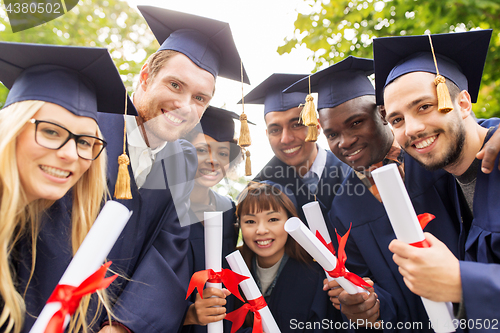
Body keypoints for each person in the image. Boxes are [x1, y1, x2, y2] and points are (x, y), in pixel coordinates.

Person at [98, 6, 250, 333]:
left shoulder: (182, 161)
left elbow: (167, 252)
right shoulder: (90, 131)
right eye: (175, 85)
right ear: (144, 77)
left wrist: (124, 326)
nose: (185, 106)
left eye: (200, 97)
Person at [0, 42, 133, 333]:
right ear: (12, 129)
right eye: (50, 131)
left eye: (85, 142)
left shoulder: (49, 238)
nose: (71, 154)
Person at [374, 29, 500, 327]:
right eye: (397, 120)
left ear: (464, 104)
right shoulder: (442, 183)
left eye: (425, 106)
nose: (413, 129)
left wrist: (462, 282)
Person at [234, 181, 344, 332]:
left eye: (273, 219)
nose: (261, 230)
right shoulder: (231, 274)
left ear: (290, 221)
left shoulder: (314, 275)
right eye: (250, 221)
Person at [247, 73, 349, 225]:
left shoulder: (351, 173)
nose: (286, 139)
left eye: (296, 125)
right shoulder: (261, 186)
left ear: (317, 125)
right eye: (275, 130)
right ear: (267, 134)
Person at [181, 106, 244, 330]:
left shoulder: (228, 210)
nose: (213, 160)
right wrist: (188, 313)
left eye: (223, 153)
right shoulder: (165, 210)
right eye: (201, 150)